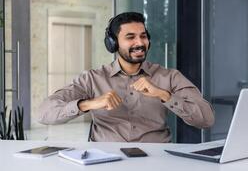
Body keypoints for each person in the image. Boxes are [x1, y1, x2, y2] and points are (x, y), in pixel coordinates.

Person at [38, 12, 214, 142]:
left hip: (156, 161)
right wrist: (88, 104)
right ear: (113, 43)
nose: (139, 43)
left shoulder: (169, 76)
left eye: (143, 36)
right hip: (105, 161)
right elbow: (44, 113)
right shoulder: (92, 78)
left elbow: (207, 119)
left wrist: (164, 95)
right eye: (130, 37)